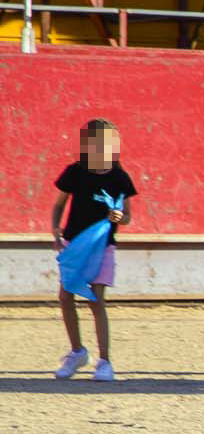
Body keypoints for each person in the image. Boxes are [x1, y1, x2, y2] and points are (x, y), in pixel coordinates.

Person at [51, 118, 135, 381]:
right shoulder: (75, 172)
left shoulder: (120, 177)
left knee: (96, 301)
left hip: (103, 247)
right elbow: (59, 205)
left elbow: (127, 218)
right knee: (66, 298)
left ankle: (105, 361)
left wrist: (118, 217)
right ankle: (77, 352)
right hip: (75, 244)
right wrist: (55, 229)